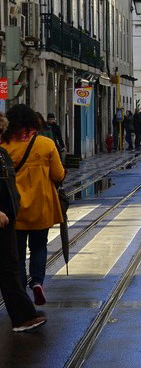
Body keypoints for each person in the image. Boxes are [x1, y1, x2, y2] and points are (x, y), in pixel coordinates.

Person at [1, 105, 66, 306]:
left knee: (18, 253)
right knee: (39, 246)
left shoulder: (4, 147)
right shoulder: (45, 144)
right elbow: (58, 175)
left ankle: (20, 289)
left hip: (15, 208)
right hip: (41, 206)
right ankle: (37, 282)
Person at [0, 113, 47, 332]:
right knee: (10, 269)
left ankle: (24, 317)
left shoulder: (3, 153)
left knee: (10, 269)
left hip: (9, 221)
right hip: (4, 219)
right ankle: (24, 316)